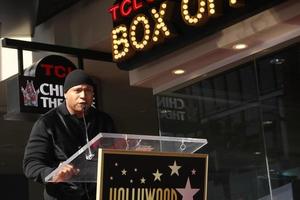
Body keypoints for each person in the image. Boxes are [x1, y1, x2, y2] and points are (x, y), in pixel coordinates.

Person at [23, 69, 115, 200]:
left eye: (88, 90)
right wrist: (53, 173)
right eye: (77, 90)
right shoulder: (47, 122)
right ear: (65, 94)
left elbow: (114, 154)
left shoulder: (104, 120)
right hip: (63, 195)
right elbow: (31, 164)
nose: (83, 95)